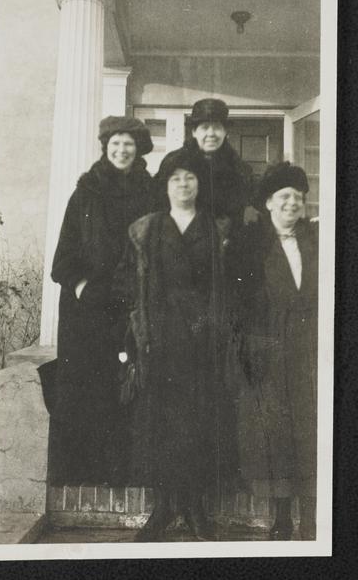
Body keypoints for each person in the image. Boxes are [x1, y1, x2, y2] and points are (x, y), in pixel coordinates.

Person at [112, 149, 237, 541]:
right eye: (176, 178)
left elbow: (229, 288)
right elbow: (127, 285)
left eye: (191, 178)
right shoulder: (146, 230)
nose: (183, 184)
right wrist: (137, 332)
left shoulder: (218, 230)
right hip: (159, 342)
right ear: (165, 185)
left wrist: (217, 330)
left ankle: (196, 508)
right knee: (160, 426)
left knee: (200, 424)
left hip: (203, 343)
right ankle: (164, 508)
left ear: (200, 185)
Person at [47, 116, 154, 485]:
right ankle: (86, 475)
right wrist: (81, 288)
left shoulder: (152, 192)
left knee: (129, 385)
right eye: (115, 144)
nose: (122, 150)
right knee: (90, 387)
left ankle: (127, 471)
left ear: (138, 148)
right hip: (88, 311)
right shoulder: (86, 193)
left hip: (133, 306)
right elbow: (64, 257)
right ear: (105, 148)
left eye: (129, 144)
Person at [234, 162, 318, 540]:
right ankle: (282, 519)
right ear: (268, 202)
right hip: (271, 350)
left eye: (298, 198)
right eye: (284, 197)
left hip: (313, 351)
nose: (292, 204)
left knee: (313, 430)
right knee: (278, 435)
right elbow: (242, 304)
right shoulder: (252, 246)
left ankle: (314, 519)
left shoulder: (317, 241)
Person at [155, 98, 253, 230]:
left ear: (225, 132)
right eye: (204, 128)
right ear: (194, 132)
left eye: (217, 127)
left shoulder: (239, 168)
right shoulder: (174, 163)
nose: (211, 134)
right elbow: (159, 207)